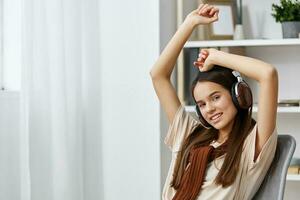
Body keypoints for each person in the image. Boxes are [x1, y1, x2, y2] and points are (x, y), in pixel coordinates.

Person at [150, 3, 278, 200]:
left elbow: (268, 74)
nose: (209, 109)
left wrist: (216, 56)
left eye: (216, 97)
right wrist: (190, 23)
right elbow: (158, 75)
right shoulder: (189, 135)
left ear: (238, 95)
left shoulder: (251, 145)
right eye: (201, 104)